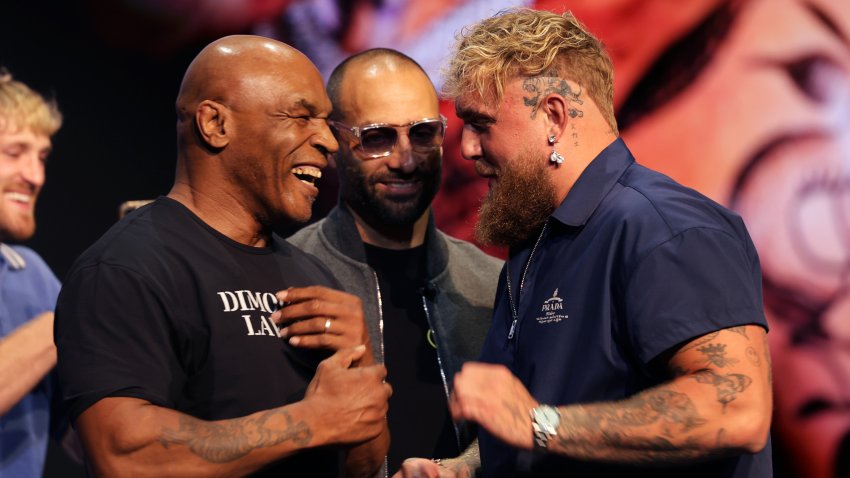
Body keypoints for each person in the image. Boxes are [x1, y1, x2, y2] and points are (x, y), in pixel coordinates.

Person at [412, 8, 773, 477]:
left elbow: (737, 410)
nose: (466, 148)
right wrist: (467, 468)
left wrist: (540, 423)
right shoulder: (539, 242)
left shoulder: (665, 229)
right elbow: (556, 417)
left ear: (553, 118)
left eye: (481, 124)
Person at [53, 35, 391, 477]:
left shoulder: (311, 274)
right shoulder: (125, 269)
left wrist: (360, 363)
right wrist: (310, 422)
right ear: (215, 123)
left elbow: (362, 466)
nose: (329, 141)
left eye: (326, 122)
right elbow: (125, 456)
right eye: (302, 116)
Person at [287, 48, 502, 476]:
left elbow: (519, 427)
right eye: (377, 137)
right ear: (334, 143)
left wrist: (465, 467)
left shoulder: (492, 284)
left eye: (422, 134)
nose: (405, 160)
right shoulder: (290, 276)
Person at [0, 69, 65, 476]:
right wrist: (66, 322)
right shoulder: (61, 315)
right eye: (13, 152)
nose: (35, 176)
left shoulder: (33, 276)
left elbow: (92, 436)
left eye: (41, 156)